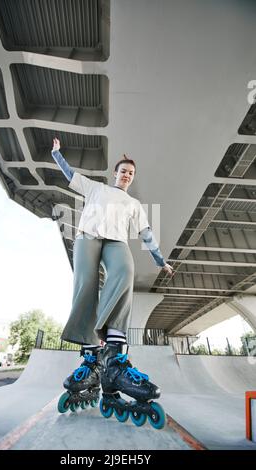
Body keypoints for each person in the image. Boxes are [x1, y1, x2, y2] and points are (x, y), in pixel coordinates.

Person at [52, 137, 174, 425]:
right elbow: (70, 174)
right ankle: (92, 359)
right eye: (122, 171)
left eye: (130, 173)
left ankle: (113, 356)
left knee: (124, 271)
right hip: (88, 238)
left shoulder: (133, 204)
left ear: (132, 178)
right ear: (114, 173)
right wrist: (57, 154)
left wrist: (160, 260)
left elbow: (146, 234)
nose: (126, 175)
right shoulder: (96, 188)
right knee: (86, 286)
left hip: (115, 241)